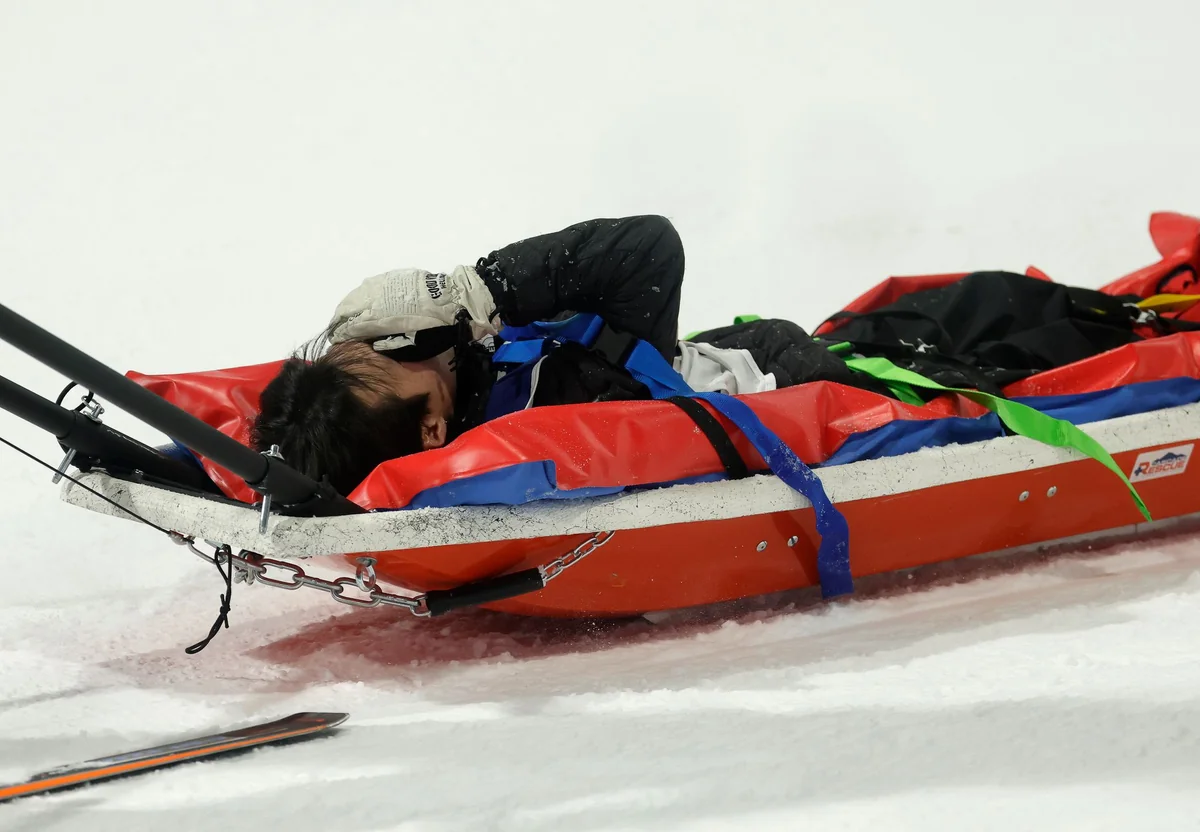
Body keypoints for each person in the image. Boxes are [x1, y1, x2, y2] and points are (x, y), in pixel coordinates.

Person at [250, 215, 865, 495]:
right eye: (392, 356)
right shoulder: (561, 405)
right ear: (430, 428)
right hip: (804, 385)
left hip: (736, 355)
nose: (400, 341)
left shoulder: (466, 399)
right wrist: (484, 289)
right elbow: (647, 248)